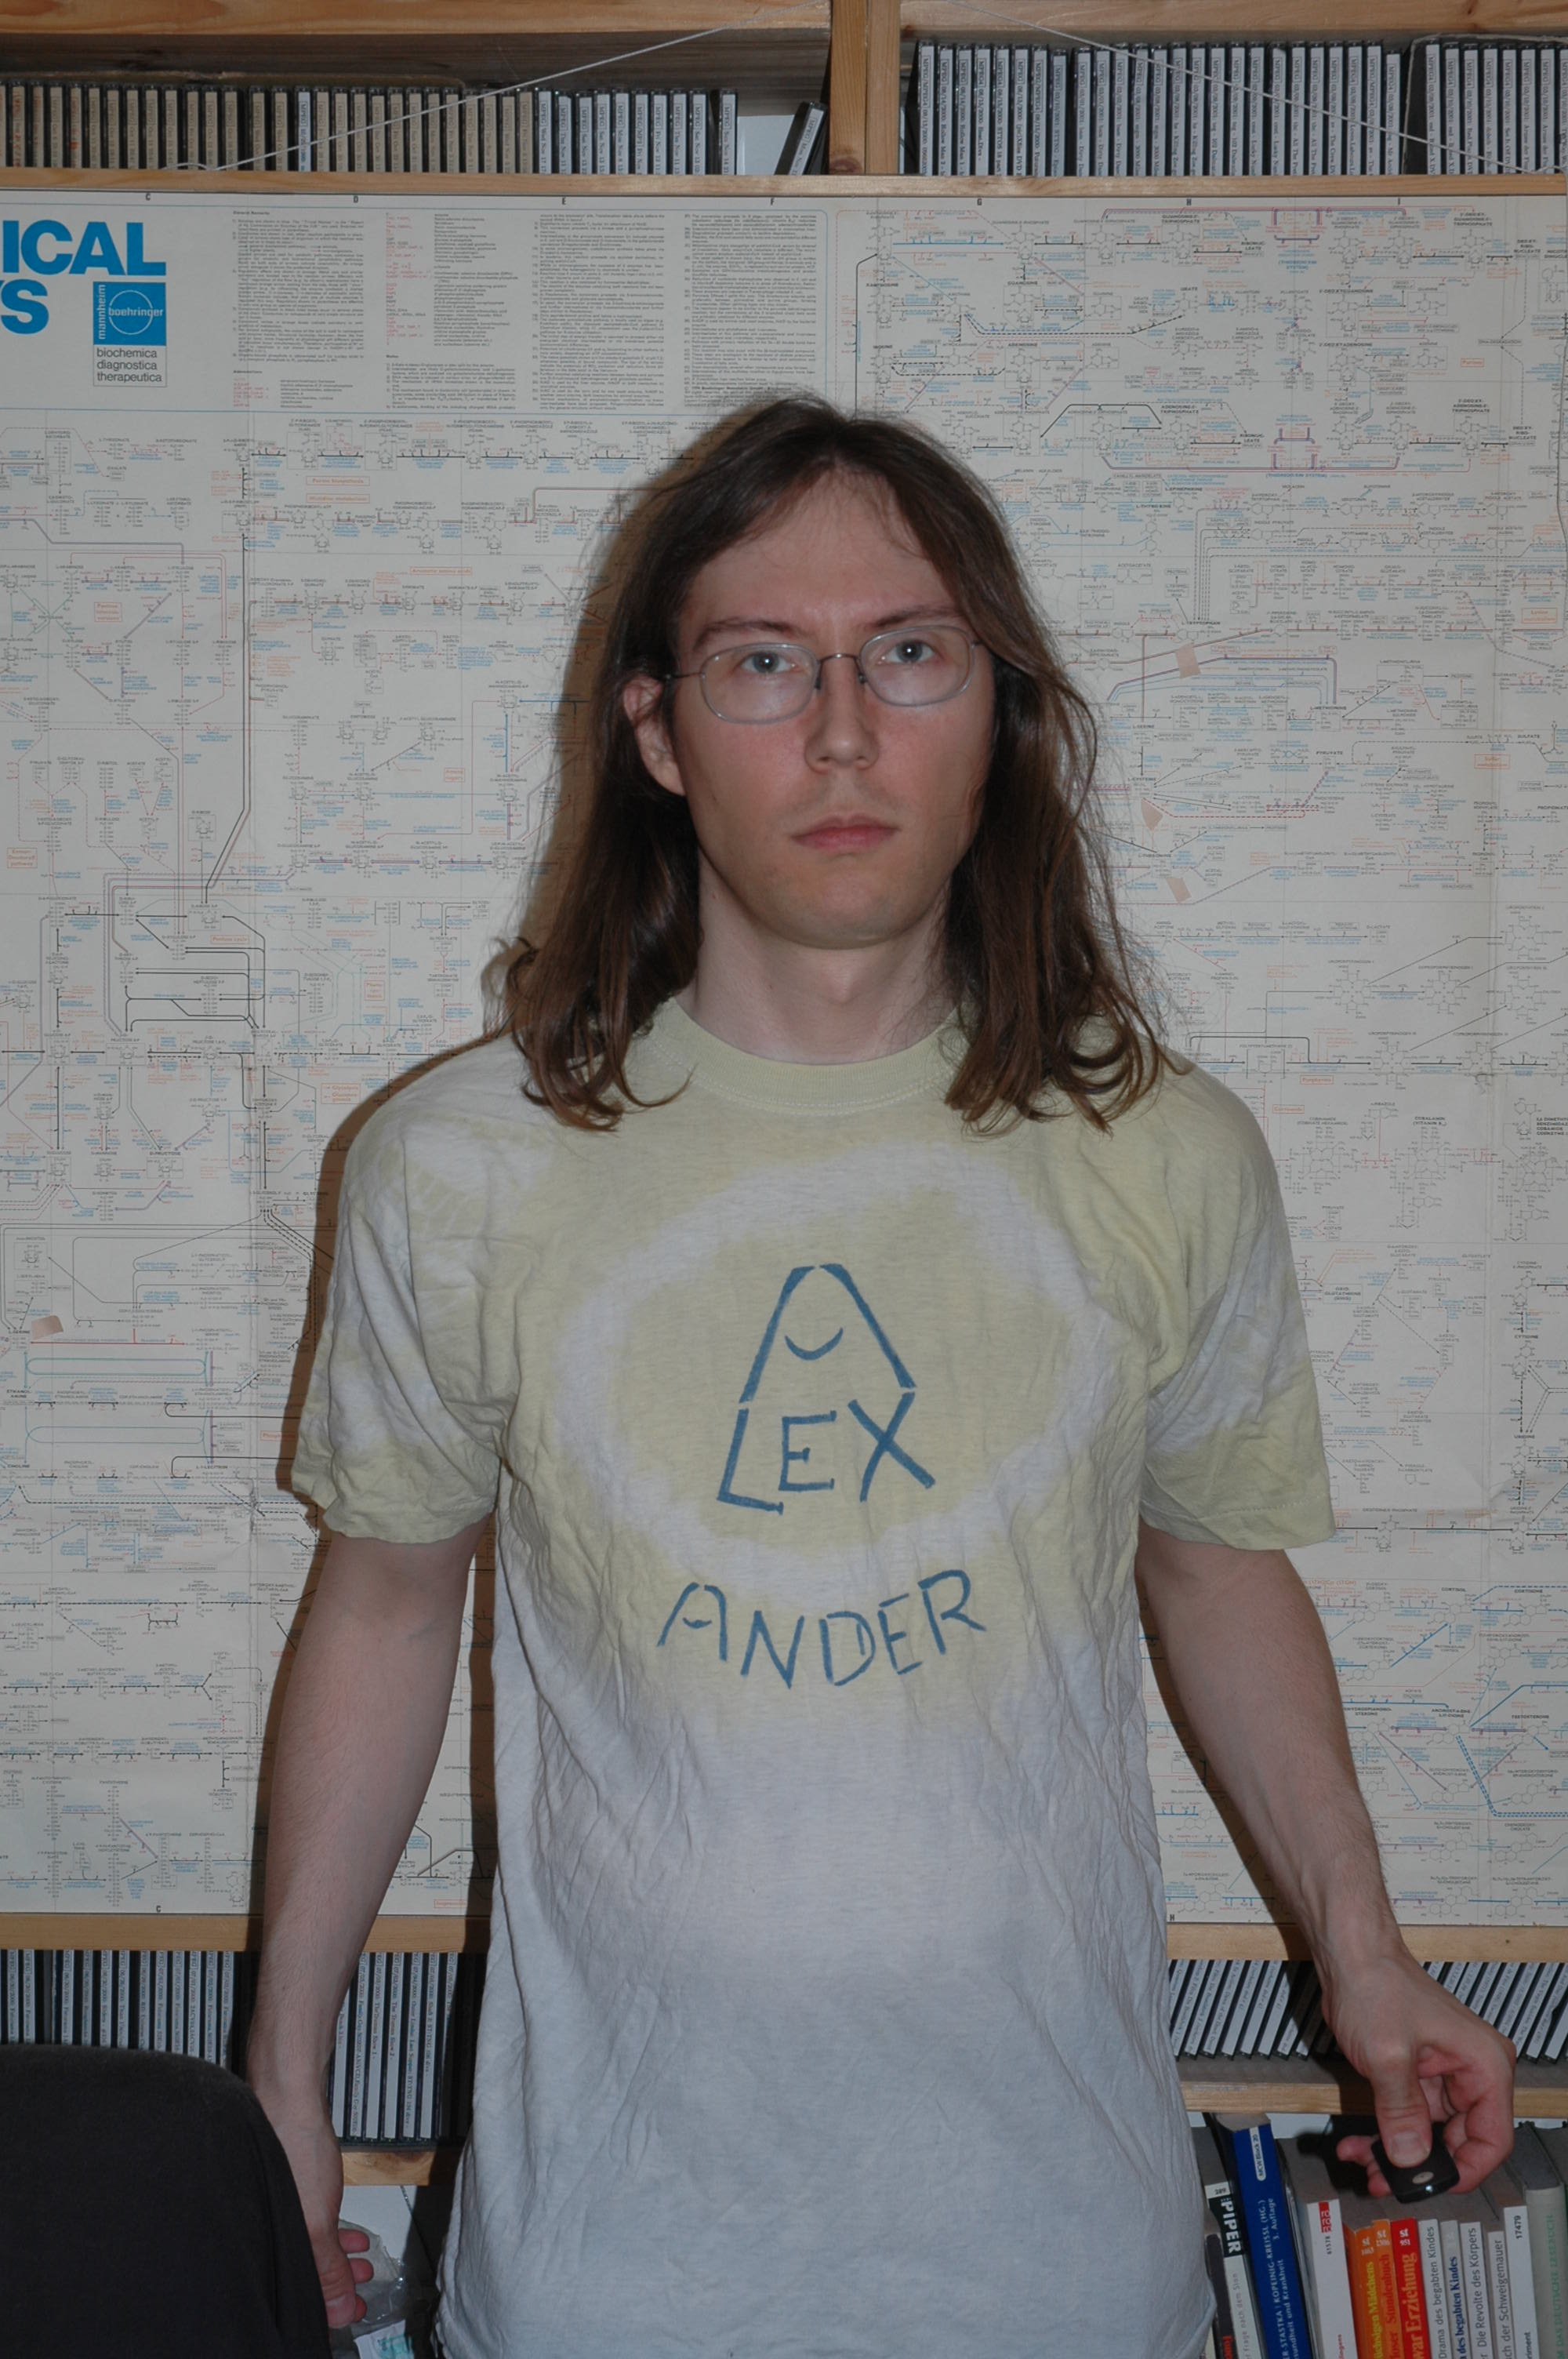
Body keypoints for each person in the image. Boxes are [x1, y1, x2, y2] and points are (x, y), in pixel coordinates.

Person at [252, 396, 1515, 2359]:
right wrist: (281, 2079)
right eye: (764, 662)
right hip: (606, 2277)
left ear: (995, 709)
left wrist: (1367, 1959)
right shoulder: (461, 1162)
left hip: (1058, 2271)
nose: (841, 734)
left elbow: (1215, 1566)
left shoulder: (1163, 1152)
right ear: (658, 730)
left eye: (908, 652)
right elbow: (387, 1607)